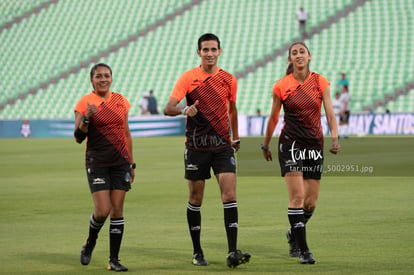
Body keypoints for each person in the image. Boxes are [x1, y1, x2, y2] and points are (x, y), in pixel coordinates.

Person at [164, 33, 251, 269]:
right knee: (196, 199)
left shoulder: (229, 80)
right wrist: (184, 110)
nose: (210, 53)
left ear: (220, 51)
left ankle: (233, 252)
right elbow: (168, 108)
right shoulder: (189, 78)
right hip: (196, 147)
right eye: (205, 50)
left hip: (222, 145)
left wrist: (236, 136)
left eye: (214, 49)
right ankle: (197, 252)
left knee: (230, 196)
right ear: (198, 53)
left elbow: (232, 109)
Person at [261, 42, 340, 264]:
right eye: (294, 53)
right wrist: (265, 145)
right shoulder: (281, 86)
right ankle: (304, 250)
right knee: (297, 197)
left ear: (309, 56)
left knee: (310, 203)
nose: (298, 55)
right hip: (290, 145)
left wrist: (335, 138)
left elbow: (331, 114)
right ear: (289, 60)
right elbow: (273, 118)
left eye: (301, 52)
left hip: (314, 145)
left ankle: (293, 232)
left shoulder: (320, 81)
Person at [74, 63, 135, 272]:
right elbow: (78, 137)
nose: (103, 79)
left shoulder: (121, 101)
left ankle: (114, 260)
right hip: (97, 162)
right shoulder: (85, 102)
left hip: (120, 162)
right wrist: (86, 118)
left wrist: (131, 162)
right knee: (102, 211)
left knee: (117, 211)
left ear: (111, 78)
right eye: (98, 76)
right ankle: (90, 241)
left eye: (107, 76)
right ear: (92, 80)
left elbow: (126, 133)